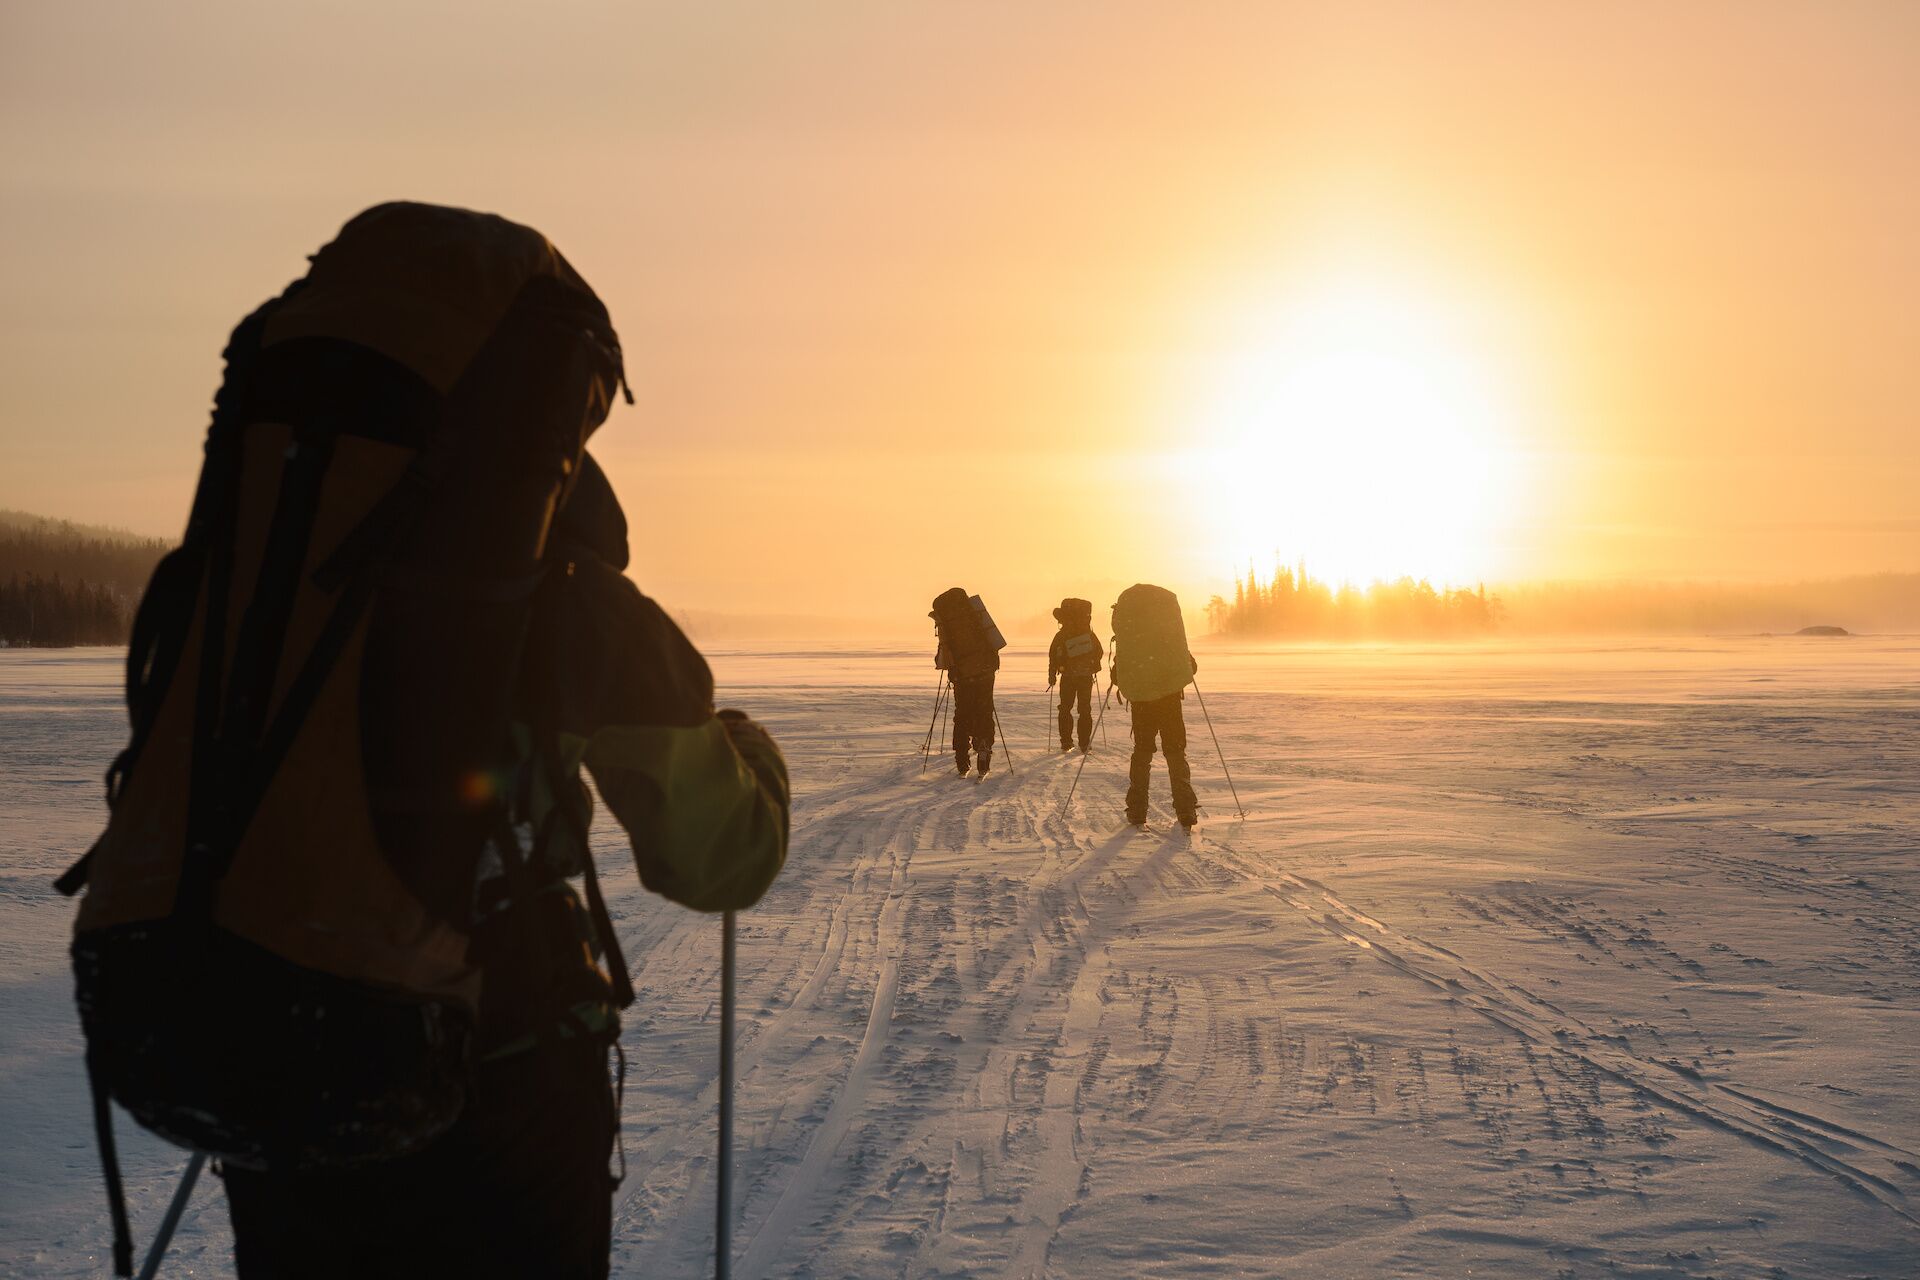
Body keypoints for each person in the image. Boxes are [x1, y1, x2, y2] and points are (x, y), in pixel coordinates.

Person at [220, 453, 790, 1280]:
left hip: (277, 1062)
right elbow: (720, 858)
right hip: (504, 1074)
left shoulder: (261, 573)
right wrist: (752, 753)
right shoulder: (568, 590)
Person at [1108, 583, 1199, 830]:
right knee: (1175, 751)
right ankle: (1186, 809)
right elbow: (1190, 667)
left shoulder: (1131, 640)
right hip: (1169, 698)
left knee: (1142, 753)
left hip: (1141, 701)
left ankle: (1137, 810)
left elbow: (1118, 676)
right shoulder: (1167, 636)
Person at [929, 587, 1002, 777]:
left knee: (962, 715)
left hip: (963, 676)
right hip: (985, 671)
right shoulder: (973, 614)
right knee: (985, 710)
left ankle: (962, 760)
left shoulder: (947, 624)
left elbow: (943, 657)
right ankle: (983, 744)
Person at [1046, 597, 1103, 753]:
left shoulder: (1062, 634)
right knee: (1085, 710)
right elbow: (1099, 651)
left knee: (1065, 708)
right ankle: (1084, 743)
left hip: (1068, 676)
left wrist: (1052, 675)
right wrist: (1093, 666)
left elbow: (1052, 655)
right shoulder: (1088, 633)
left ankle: (1066, 742)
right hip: (1085, 676)